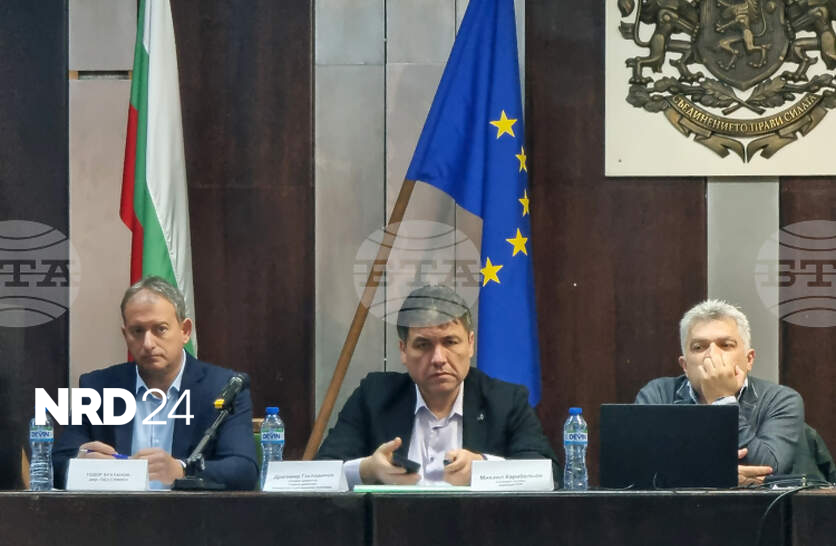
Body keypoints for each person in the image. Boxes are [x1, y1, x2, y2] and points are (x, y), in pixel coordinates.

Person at [316, 284, 560, 487]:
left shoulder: (505, 400)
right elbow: (322, 474)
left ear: (470, 344)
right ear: (403, 350)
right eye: (423, 345)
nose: (438, 358)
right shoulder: (374, 396)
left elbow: (549, 474)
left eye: (450, 342)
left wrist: (483, 469)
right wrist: (367, 470)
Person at [53, 276, 258, 490]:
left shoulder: (223, 388)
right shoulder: (98, 387)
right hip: (116, 509)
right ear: (125, 335)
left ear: (185, 331)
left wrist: (181, 470)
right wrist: (79, 465)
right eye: (137, 331)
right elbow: (56, 464)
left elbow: (244, 470)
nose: (148, 343)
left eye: (160, 329)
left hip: (191, 511)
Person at [635, 299, 804, 486]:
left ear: (749, 360)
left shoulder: (780, 400)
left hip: (753, 505)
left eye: (726, 345)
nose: (712, 355)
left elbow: (769, 469)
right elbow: (641, 471)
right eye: (699, 347)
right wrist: (716, 475)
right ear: (685, 366)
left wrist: (722, 400)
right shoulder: (658, 395)